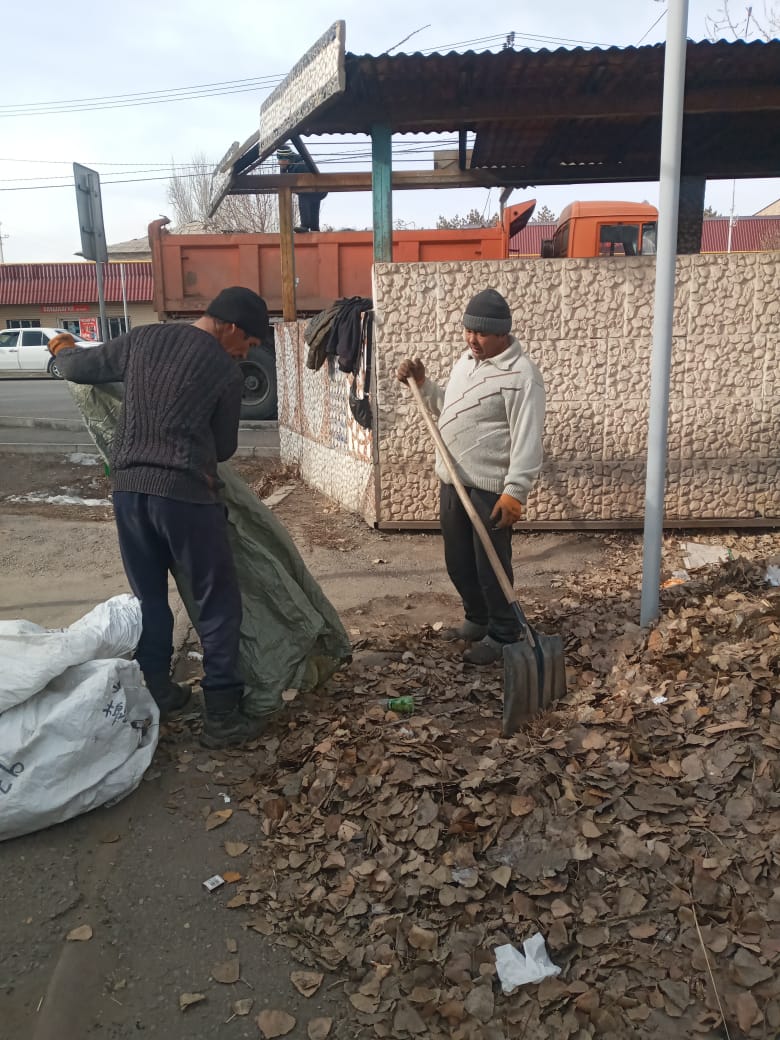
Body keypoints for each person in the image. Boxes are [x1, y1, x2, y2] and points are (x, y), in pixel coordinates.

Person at [49, 287, 270, 748]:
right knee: (216, 602)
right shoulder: (223, 371)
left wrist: (61, 349)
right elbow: (224, 447)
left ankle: (159, 692)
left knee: (148, 597)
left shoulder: (142, 339)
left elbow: (79, 368)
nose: (245, 351)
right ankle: (223, 715)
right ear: (230, 326)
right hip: (185, 496)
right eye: (248, 343)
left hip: (129, 493)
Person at [397, 288, 546, 665]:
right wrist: (423, 384)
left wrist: (516, 491)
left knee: (490, 566)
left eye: (480, 334)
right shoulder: (466, 362)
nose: (471, 339)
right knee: (458, 560)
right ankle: (477, 618)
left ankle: (503, 632)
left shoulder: (522, 377)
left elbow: (528, 438)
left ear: (502, 334)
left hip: (490, 490)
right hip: (452, 480)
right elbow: (449, 407)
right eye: (467, 330)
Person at [276, 145, 327, 232]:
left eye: (281, 160)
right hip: (319, 190)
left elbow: (287, 181)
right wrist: (283, 170)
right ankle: (315, 228)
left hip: (314, 188)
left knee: (304, 195)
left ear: (287, 159)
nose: (279, 163)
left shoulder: (300, 165)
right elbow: (283, 179)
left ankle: (305, 225)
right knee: (312, 202)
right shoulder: (292, 164)